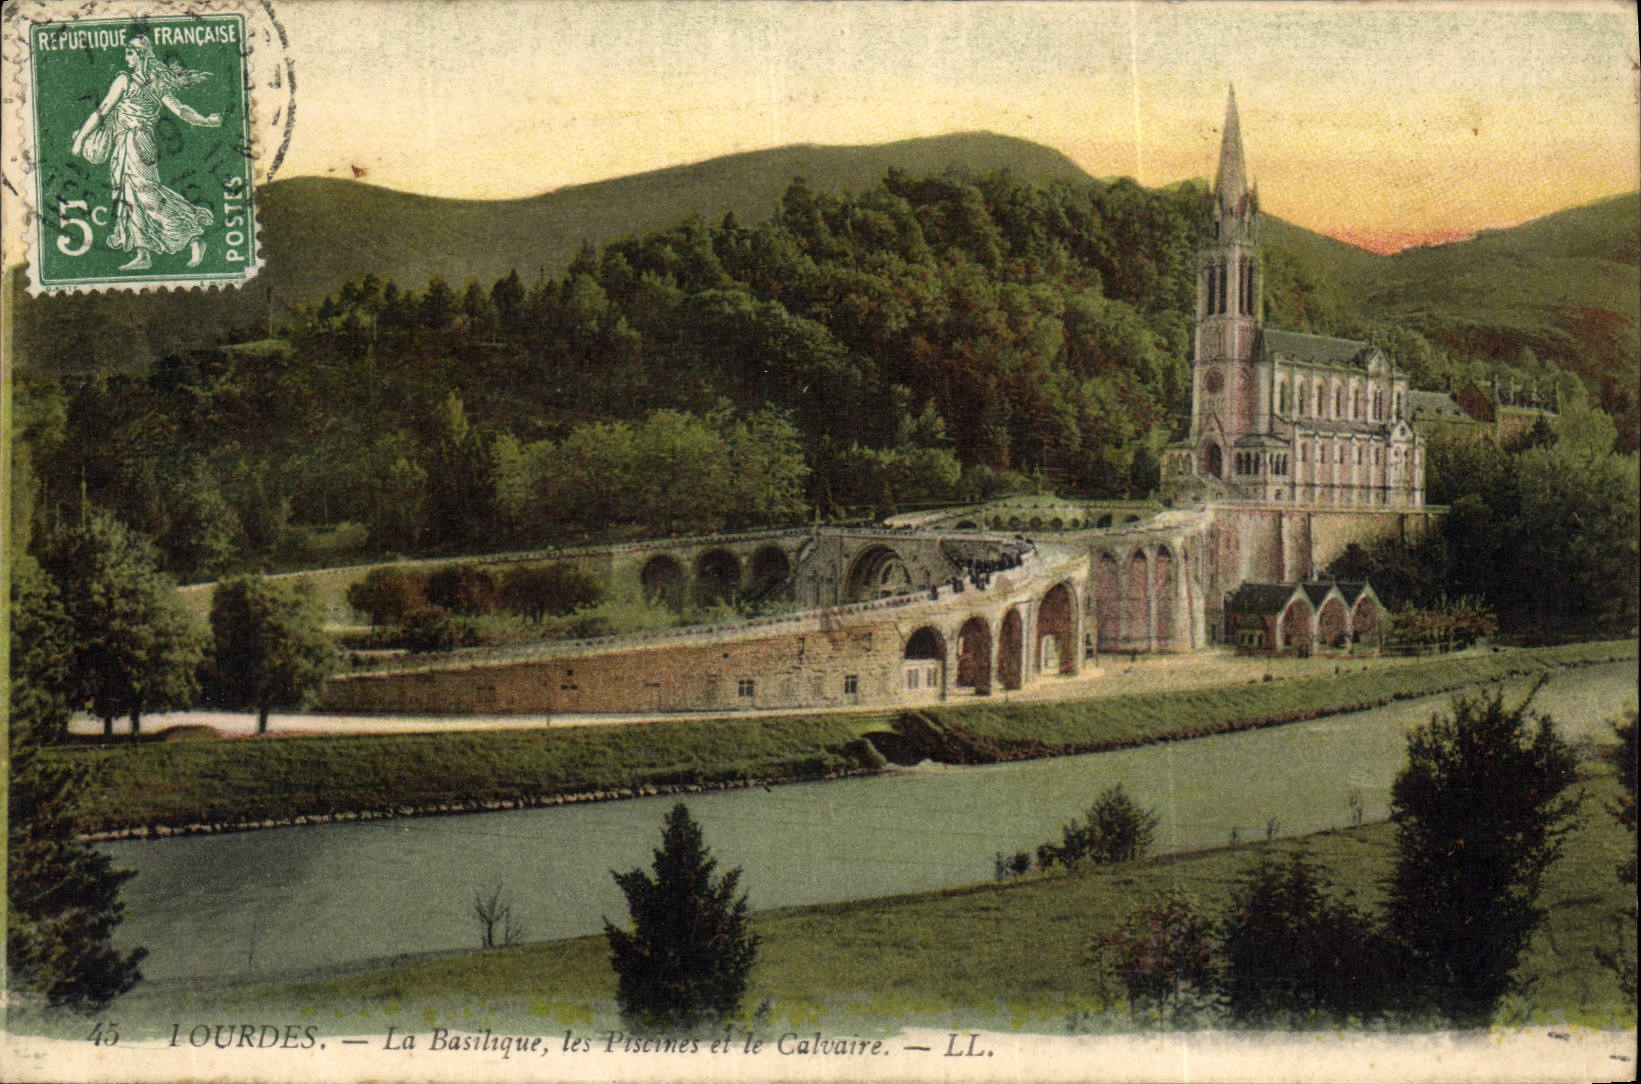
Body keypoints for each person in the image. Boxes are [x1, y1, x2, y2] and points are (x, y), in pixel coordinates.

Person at [71, 36, 220, 270]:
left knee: (146, 195)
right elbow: (181, 110)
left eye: (130, 53)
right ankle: (143, 254)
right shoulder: (152, 82)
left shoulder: (127, 80)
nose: (126, 58)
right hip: (129, 142)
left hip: (136, 142)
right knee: (130, 196)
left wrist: (80, 140)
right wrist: (207, 121)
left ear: (141, 55)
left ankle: (192, 237)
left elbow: (103, 110)